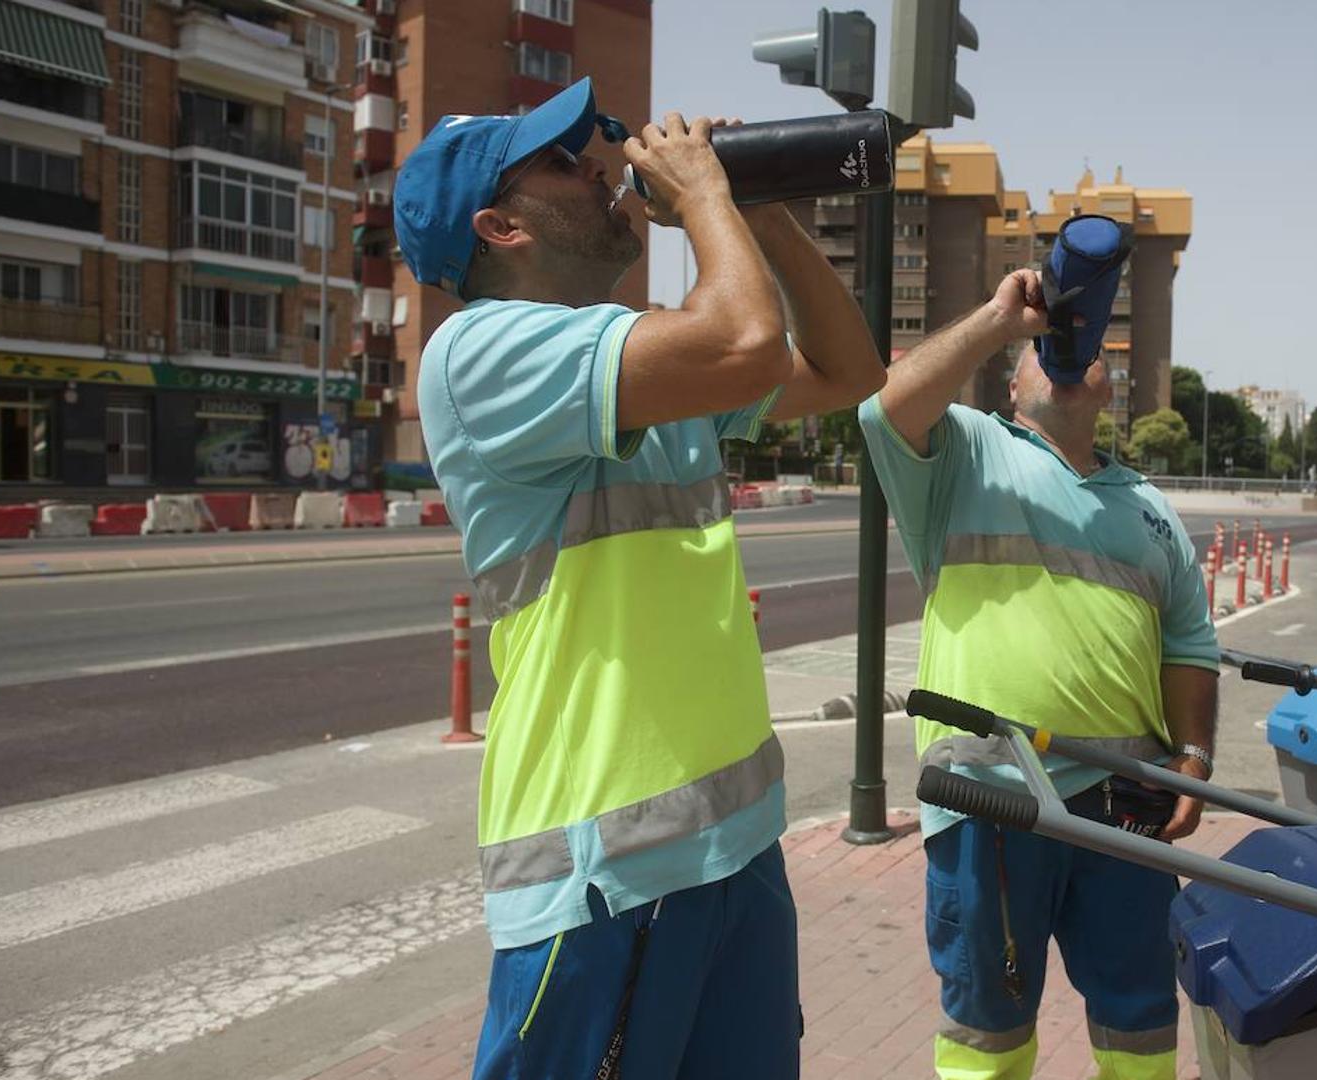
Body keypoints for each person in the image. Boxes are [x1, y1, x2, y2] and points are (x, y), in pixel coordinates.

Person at [394, 79, 882, 1078]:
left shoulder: (652, 360)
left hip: (732, 850)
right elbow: (746, 344)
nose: (602, 169)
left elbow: (847, 372)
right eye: (565, 165)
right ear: (501, 226)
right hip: (600, 878)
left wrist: (763, 213)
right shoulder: (474, 354)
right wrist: (705, 197)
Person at [859, 269, 1220, 1080]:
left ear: (1111, 387)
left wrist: (1193, 760)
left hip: (1130, 802)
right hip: (994, 793)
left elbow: (1189, 647)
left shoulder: (1151, 507)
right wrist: (996, 317)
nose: (1064, 356)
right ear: (1012, 386)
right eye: (1039, 350)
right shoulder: (965, 451)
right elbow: (881, 407)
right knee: (989, 1018)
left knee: (1139, 1014)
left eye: (1086, 351)